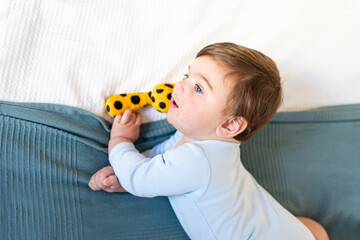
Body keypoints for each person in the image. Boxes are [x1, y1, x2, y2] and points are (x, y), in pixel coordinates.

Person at [89, 42, 329, 240]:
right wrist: (124, 174)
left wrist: (121, 140)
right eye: (186, 75)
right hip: (290, 232)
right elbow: (155, 165)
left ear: (229, 125)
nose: (180, 85)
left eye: (198, 88)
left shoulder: (199, 160)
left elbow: (138, 178)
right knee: (313, 230)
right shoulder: (205, 145)